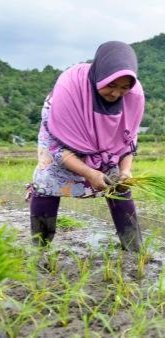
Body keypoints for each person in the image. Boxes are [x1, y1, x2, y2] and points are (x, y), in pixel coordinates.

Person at [28, 41, 144, 252]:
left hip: (106, 150)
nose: (116, 94)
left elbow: (129, 139)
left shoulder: (133, 96)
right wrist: (90, 173)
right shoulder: (69, 90)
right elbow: (56, 148)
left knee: (119, 185)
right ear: (100, 76)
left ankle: (134, 247)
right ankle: (40, 247)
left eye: (124, 88)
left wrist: (126, 171)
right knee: (47, 184)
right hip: (64, 143)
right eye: (111, 85)